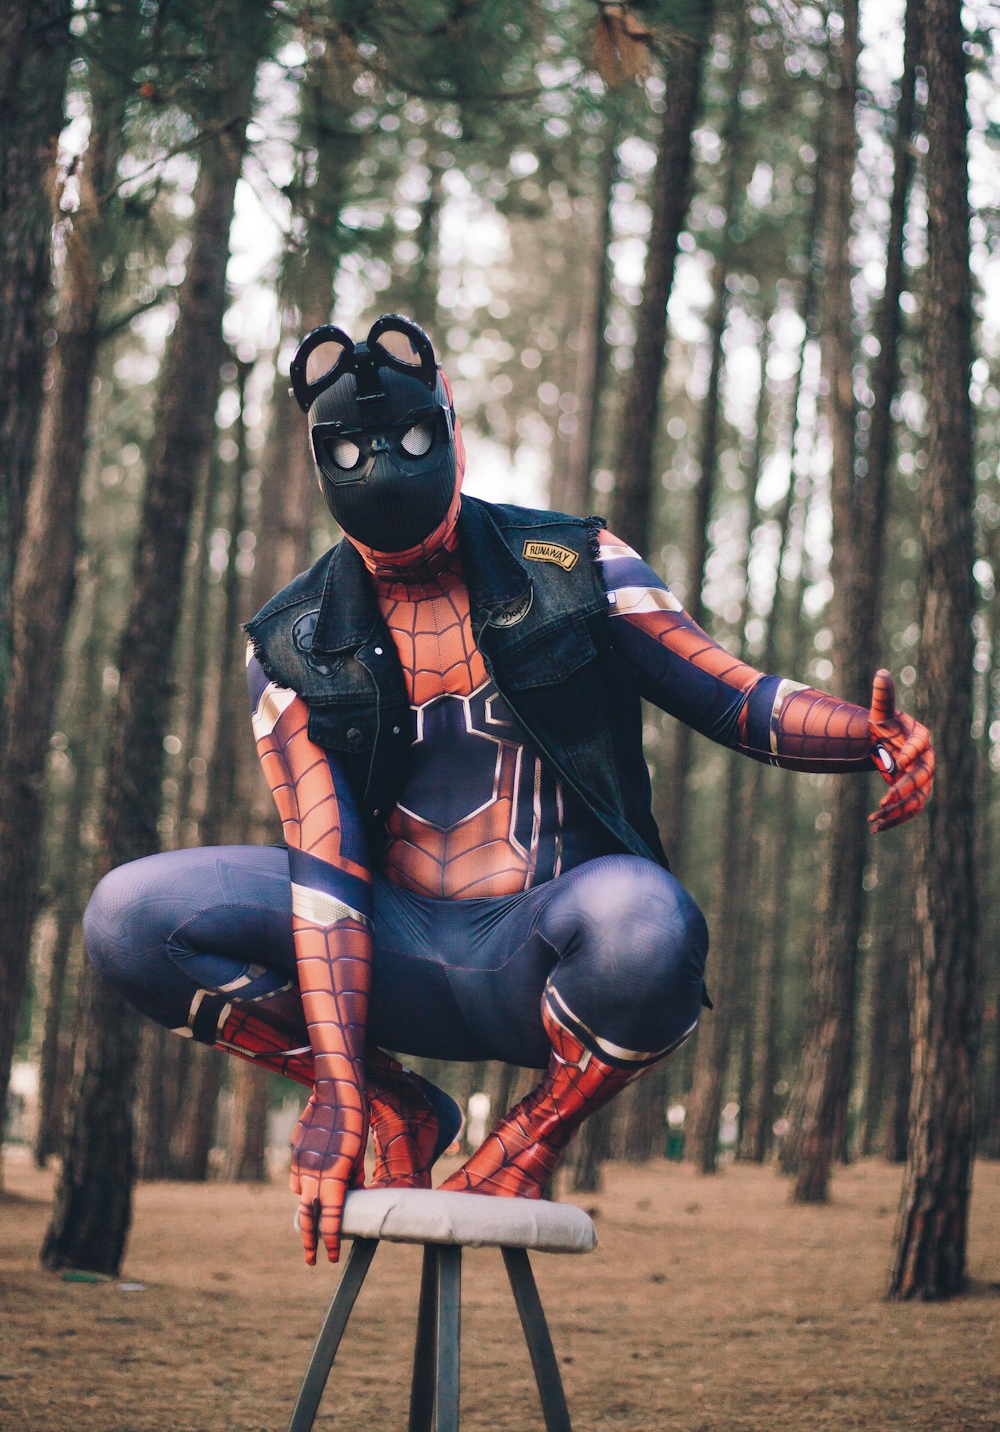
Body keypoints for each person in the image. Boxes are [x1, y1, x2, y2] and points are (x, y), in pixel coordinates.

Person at [84, 314, 934, 1268]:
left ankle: (529, 1136)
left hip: (544, 948)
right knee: (131, 916)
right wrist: (341, 1087)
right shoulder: (290, 643)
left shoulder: (576, 564)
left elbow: (732, 693)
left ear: (446, 421)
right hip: (386, 952)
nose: (384, 474)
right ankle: (406, 1101)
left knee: (651, 926)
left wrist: (868, 735)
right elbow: (324, 874)